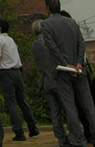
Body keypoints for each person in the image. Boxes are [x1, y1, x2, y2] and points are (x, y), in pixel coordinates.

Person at [41, 0, 95, 147]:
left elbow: (52, 46)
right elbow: (81, 43)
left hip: (63, 72)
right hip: (79, 70)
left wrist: (66, 64)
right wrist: (78, 62)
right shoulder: (72, 22)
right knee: (89, 106)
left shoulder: (46, 25)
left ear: (47, 8)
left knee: (70, 107)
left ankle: (78, 139)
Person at [0, 19, 39, 140]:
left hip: (6, 72)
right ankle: (32, 127)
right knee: (22, 100)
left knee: (11, 102)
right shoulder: (11, 40)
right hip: (17, 71)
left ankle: (19, 131)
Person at [32, 19, 68, 147]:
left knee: (55, 111)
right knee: (67, 108)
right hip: (56, 78)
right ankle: (72, 134)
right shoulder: (47, 42)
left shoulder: (35, 45)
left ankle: (60, 138)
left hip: (45, 80)